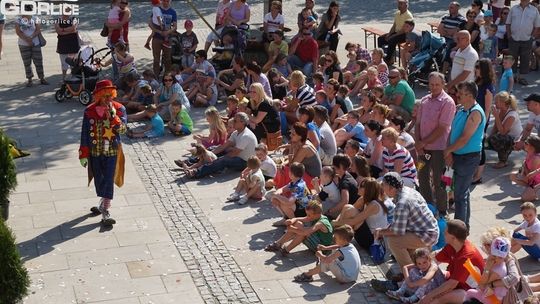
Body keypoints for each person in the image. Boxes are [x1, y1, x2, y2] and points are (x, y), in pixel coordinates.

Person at [79, 80, 127, 227]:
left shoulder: (119, 109)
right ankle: (102, 203)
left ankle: (106, 210)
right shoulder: (89, 110)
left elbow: (123, 130)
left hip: (112, 151)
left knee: (108, 178)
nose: (108, 99)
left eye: (110, 95)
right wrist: (83, 153)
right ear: (98, 96)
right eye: (104, 95)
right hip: (95, 151)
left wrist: (113, 117)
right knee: (99, 179)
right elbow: (85, 133)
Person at [445, 81, 486, 229]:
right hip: (457, 155)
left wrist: (448, 150)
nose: (457, 96)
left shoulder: (475, 113)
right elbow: (452, 130)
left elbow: (464, 138)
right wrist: (449, 150)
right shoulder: (462, 109)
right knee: (463, 192)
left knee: (459, 195)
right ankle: (464, 226)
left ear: (469, 95)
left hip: (468, 157)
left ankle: (458, 230)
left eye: (461, 94)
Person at [415, 220, 485, 304]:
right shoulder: (452, 245)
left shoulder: (466, 256)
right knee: (431, 280)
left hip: (470, 291)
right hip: (455, 281)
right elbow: (433, 259)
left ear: (453, 238)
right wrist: (415, 268)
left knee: (436, 299)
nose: (443, 234)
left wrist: (428, 296)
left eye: (445, 233)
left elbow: (452, 284)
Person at [415, 72, 456, 217]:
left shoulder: (448, 102)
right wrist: (418, 144)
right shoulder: (424, 100)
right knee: (422, 175)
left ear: (443, 84)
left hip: (439, 149)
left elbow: (443, 128)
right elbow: (418, 123)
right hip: (423, 151)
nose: (434, 87)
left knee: (440, 180)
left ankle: (442, 209)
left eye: (437, 84)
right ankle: (428, 206)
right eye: (431, 84)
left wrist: (423, 143)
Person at [190, 112, 257, 178]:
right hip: (237, 156)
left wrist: (216, 160)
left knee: (223, 160)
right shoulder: (236, 132)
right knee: (213, 148)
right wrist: (210, 153)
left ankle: (197, 172)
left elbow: (234, 153)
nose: (233, 122)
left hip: (245, 162)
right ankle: (192, 161)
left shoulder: (246, 136)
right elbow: (224, 146)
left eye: (235, 121)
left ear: (243, 123)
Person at [332, 177, 392, 250]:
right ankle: (337, 236)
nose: (358, 187)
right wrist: (336, 222)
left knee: (353, 214)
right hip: (366, 233)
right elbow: (346, 210)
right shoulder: (363, 199)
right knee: (347, 207)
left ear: (368, 190)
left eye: (361, 186)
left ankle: (340, 239)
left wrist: (336, 223)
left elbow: (353, 221)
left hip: (372, 240)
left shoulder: (374, 204)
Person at [293, 224, 361, 283]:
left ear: (344, 240)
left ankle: (308, 275)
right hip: (352, 276)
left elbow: (327, 260)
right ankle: (317, 269)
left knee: (328, 262)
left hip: (346, 278)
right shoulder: (350, 245)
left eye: (336, 238)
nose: (334, 239)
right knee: (332, 255)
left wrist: (320, 255)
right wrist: (325, 248)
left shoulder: (340, 252)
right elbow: (338, 246)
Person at [265, 200, 334, 257]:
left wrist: (292, 229)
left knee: (302, 233)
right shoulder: (315, 216)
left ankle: (286, 249)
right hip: (316, 239)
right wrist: (292, 221)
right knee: (298, 223)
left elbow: (306, 233)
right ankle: (278, 243)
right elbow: (301, 219)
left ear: (317, 214)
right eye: (307, 214)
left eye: (309, 215)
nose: (308, 216)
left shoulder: (321, 222)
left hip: (322, 247)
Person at [471, 58, 496, 185]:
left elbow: (487, 109)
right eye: (475, 67)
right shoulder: (477, 82)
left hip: (481, 122)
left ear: (484, 70)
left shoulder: (488, 88)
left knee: (480, 147)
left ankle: (478, 176)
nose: (475, 69)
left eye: (478, 67)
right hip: (473, 118)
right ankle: (474, 172)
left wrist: (482, 125)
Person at [465, 237, 511, 303]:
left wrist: (487, 268)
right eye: (494, 255)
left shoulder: (499, 270)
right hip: (490, 293)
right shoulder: (496, 263)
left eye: (500, 257)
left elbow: (482, 285)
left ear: (505, 257)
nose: (496, 259)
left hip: (494, 299)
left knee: (469, 292)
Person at [506, 0, 540, 86]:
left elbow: (537, 26)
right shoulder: (513, 9)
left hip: (527, 39)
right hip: (514, 38)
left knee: (525, 59)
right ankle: (512, 77)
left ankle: (521, 77)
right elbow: (508, 23)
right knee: (512, 58)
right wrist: (509, 36)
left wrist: (532, 38)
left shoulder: (534, 10)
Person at [487, 92, 522, 169]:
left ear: (503, 102)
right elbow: (496, 127)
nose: (494, 103)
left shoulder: (512, 114)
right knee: (488, 139)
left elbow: (503, 132)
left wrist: (496, 116)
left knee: (498, 138)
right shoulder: (501, 111)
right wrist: (488, 139)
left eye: (496, 101)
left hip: (516, 140)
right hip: (508, 137)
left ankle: (503, 161)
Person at [15, 13, 48, 87]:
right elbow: (18, 32)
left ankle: (42, 78)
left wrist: (31, 37)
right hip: (23, 44)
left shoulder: (35, 18)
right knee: (27, 62)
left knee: (38, 61)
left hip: (35, 43)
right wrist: (27, 40)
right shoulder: (18, 20)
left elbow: (38, 30)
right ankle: (29, 79)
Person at [377, 0, 414, 65]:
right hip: (397, 32)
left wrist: (392, 36)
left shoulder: (408, 15)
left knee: (392, 40)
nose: (399, 5)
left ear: (406, 5)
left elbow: (403, 30)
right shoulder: (397, 13)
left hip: (404, 34)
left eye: (401, 4)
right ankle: (380, 56)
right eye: (398, 3)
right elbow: (394, 25)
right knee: (381, 39)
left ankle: (388, 60)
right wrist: (389, 34)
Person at [148, 0, 177, 76]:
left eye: (167, 1)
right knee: (156, 59)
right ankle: (156, 76)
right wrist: (157, 31)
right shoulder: (157, 9)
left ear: (170, 1)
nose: (165, 2)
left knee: (168, 59)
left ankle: (167, 76)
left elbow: (175, 26)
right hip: (157, 37)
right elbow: (150, 23)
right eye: (164, 1)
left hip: (167, 38)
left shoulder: (173, 12)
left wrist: (168, 32)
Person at [439, 2, 467, 74]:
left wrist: (445, 30)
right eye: (449, 7)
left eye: (452, 7)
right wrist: (449, 32)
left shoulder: (461, 19)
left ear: (457, 8)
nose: (449, 9)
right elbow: (439, 30)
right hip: (444, 38)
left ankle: (443, 72)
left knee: (449, 49)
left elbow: (455, 32)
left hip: (453, 40)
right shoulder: (445, 17)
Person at [510, 135, 540, 202]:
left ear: (532, 146)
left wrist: (524, 166)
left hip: (537, 182)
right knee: (513, 175)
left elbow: (531, 176)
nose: (524, 144)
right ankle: (530, 191)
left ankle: (535, 192)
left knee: (524, 198)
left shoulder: (536, 158)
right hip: (532, 180)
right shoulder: (529, 153)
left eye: (526, 143)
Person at [55, 8, 80, 81]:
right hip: (62, 45)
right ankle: (64, 78)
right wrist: (69, 31)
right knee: (64, 63)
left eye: (68, 10)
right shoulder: (58, 20)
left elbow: (73, 28)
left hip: (73, 45)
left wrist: (63, 31)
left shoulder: (74, 19)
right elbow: (58, 31)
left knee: (73, 62)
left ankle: (74, 77)